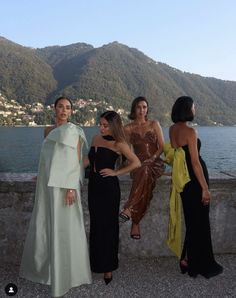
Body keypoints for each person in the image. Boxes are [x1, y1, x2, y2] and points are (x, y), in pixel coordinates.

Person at [19, 96, 92, 297]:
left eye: (68, 108)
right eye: (61, 107)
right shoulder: (47, 131)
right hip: (47, 186)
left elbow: (75, 161)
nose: (64, 110)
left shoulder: (74, 131)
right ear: (55, 109)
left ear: (71, 112)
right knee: (46, 223)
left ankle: (69, 273)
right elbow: (49, 158)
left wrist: (71, 187)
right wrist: (41, 174)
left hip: (66, 187)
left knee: (66, 226)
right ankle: (48, 270)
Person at [168, 95, 223, 278]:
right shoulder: (191, 132)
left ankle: (186, 258)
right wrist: (205, 188)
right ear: (187, 109)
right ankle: (195, 262)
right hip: (196, 179)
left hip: (184, 181)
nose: (195, 109)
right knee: (199, 222)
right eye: (193, 106)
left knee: (192, 221)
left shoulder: (172, 129)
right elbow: (195, 162)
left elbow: (178, 156)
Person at [87, 111, 141, 284]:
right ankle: (95, 264)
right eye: (100, 124)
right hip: (94, 186)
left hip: (109, 189)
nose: (101, 127)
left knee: (109, 227)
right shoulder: (95, 138)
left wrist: (116, 172)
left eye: (105, 125)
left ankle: (108, 268)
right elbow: (88, 161)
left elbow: (136, 162)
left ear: (114, 126)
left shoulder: (120, 144)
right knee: (96, 225)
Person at [119, 96, 165, 239]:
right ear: (134, 109)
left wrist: (152, 158)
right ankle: (135, 221)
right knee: (143, 171)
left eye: (144, 107)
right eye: (139, 107)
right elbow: (127, 151)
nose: (142, 110)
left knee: (145, 170)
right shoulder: (128, 128)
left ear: (147, 109)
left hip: (155, 162)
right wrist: (131, 163)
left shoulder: (154, 124)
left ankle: (130, 210)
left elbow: (162, 147)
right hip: (138, 164)